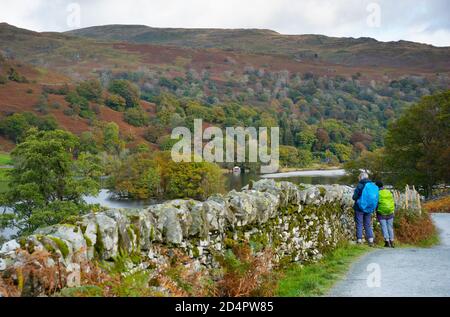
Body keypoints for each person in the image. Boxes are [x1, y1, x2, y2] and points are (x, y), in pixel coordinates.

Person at [352, 172, 375, 246]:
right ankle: (371, 240)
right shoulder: (372, 185)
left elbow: (354, 197)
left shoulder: (360, 185)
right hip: (368, 207)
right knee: (368, 224)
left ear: (360, 178)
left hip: (359, 207)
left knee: (359, 223)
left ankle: (359, 240)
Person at [375, 181, 395, 248]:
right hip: (390, 211)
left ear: (377, 186)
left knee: (384, 227)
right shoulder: (388, 191)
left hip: (381, 212)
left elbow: (376, 202)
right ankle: (392, 241)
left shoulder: (377, 193)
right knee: (390, 227)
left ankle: (387, 242)